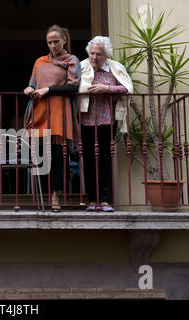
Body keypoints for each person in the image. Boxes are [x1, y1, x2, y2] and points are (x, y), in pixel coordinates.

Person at [23, 24, 81, 212]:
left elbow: (74, 86)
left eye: (56, 41)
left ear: (64, 40)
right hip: (39, 110)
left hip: (59, 111)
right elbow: (32, 83)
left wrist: (49, 89)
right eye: (50, 42)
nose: (53, 45)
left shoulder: (72, 61)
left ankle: (56, 196)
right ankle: (41, 195)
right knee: (40, 156)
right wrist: (30, 88)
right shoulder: (40, 61)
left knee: (58, 156)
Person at [79, 36, 133, 212]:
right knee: (88, 160)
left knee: (104, 159)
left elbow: (127, 88)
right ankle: (92, 200)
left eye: (99, 54)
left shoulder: (115, 68)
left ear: (106, 54)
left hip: (107, 121)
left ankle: (104, 200)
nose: (94, 57)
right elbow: (71, 87)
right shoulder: (81, 67)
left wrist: (107, 89)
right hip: (86, 121)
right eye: (92, 53)